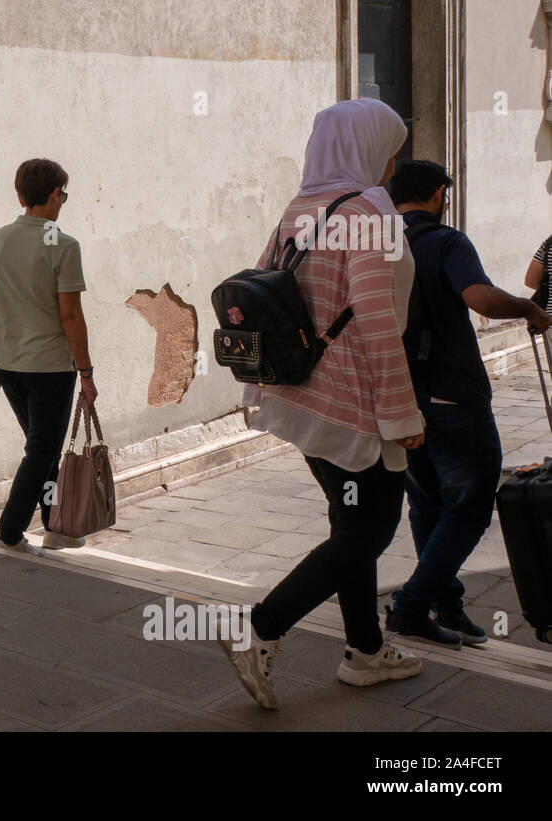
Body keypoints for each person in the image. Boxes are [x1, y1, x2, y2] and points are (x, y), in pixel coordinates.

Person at [219, 99, 426, 710]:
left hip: (302, 397)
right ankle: (261, 628)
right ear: (369, 148)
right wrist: (403, 417)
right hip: (354, 405)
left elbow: (258, 289)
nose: (393, 161)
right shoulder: (369, 212)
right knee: (371, 529)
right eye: (391, 146)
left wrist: (258, 389)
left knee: (349, 524)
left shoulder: (300, 207)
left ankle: (365, 651)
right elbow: (377, 320)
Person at [382, 161, 552, 647]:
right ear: (438, 194)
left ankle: (448, 605)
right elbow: (480, 298)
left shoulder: (381, 244)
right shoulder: (446, 242)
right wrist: (528, 307)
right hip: (453, 396)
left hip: (401, 397)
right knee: (471, 506)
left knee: (426, 503)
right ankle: (413, 605)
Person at [0, 158, 97, 553]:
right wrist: (86, 372)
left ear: (20, 196)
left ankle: (57, 527)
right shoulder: (64, 246)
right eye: (63, 194)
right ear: (54, 195)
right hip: (50, 366)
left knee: (42, 446)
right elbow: (70, 315)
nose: (63, 201)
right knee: (42, 449)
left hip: (5, 363)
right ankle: (10, 533)